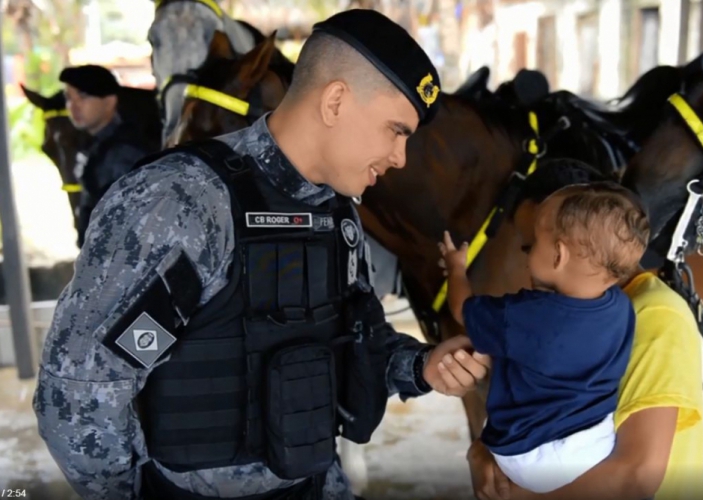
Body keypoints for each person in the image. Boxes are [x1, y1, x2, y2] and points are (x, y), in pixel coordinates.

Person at [33, 9, 489, 500]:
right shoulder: (183, 203)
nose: (400, 157)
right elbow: (79, 392)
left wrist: (420, 367)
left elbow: (356, 339)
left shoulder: (336, 214)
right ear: (335, 101)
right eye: (395, 130)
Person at [466, 158, 703, 500]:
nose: (528, 263)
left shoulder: (655, 315)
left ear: (567, 249)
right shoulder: (575, 317)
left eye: (531, 245)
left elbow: (636, 476)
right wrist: (482, 450)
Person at [438, 182, 649, 493]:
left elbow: (461, 309)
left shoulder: (525, 315)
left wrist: (456, 269)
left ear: (559, 255)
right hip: (596, 444)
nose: (527, 252)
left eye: (533, 242)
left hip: (528, 456)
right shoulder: (620, 307)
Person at [59, 64, 152, 247]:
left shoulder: (124, 152)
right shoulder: (97, 144)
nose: (73, 106)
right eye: (69, 98)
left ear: (109, 101)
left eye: (83, 97)